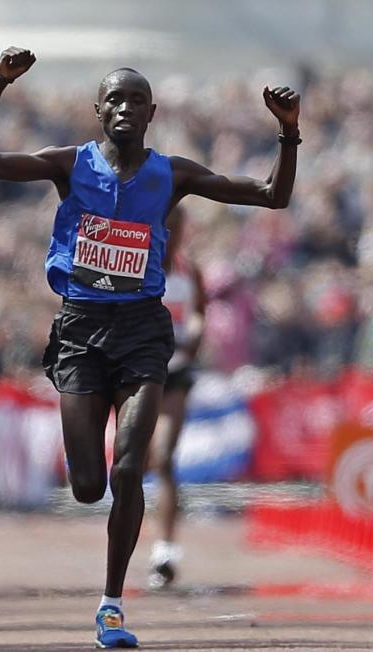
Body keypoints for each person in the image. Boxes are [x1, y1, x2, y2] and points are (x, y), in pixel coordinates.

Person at [0, 47, 300, 649]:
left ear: (151, 112)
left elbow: (272, 196)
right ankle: (102, 526)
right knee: (89, 484)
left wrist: (288, 132)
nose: (123, 107)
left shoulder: (174, 174)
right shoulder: (69, 164)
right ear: (98, 111)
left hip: (144, 331)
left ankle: (112, 606)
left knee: (130, 469)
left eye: (135, 100)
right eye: (113, 99)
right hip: (80, 333)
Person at [145, 207, 207, 590]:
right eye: (166, 227)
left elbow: (199, 315)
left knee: (164, 458)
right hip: (137, 375)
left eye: (177, 228)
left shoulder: (189, 272)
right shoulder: (138, 269)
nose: (172, 235)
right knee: (135, 460)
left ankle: (165, 549)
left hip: (175, 375)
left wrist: (194, 334)